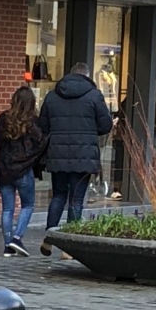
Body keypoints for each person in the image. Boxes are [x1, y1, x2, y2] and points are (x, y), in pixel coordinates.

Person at [38, 61, 113, 253]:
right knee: (76, 200)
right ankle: (69, 248)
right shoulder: (94, 95)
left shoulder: (52, 96)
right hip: (84, 155)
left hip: (58, 155)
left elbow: (43, 125)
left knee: (58, 196)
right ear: (87, 76)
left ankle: (48, 238)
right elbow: (105, 126)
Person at [0, 85, 46, 257]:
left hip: (6, 170)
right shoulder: (32, 122)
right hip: (23, 171)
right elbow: (40, 144)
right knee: (28, 205)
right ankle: (17, 237)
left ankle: (7, 245)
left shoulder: (4, 119)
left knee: (7, 209)